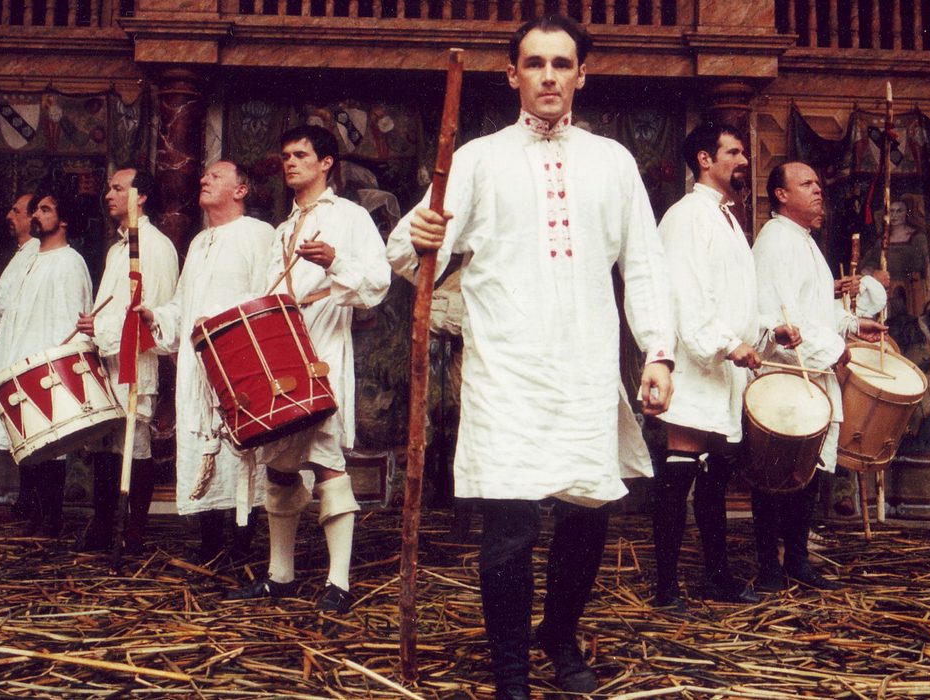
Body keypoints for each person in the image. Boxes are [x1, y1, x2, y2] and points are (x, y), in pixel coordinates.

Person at [386, 16, 674, 699]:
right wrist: (421, 233)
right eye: (535, 63)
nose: (549, 75)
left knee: (585, 515)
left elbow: (646, 264)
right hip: (505, 371)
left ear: (582, 74)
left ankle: (560, 635)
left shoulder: (612, 161)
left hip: (583, 369)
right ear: (511, 73)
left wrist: (658, 352)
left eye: (562, 63)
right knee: (511, 527)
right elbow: (404, 253)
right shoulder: (477, 158)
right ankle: (510, 669)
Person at [227, 125, 390, 613]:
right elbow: (264, 298)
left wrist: (336, 260)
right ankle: (281, 576)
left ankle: (338, 583)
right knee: (279, 467)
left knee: (324, 459)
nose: (290, 162)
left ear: (327, 163)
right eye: (285, 155)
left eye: (301, 155)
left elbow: (377, 284)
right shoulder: (280, 230)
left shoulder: (352, 218)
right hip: (279, 360)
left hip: (322, 353)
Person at [652, 122, 799, 609]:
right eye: (733, 152)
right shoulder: (686, 217)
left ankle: (716, 577)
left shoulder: (729, 220)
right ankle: (666, 588)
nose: (743, 161)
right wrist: (723, 344)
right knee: (680, 474)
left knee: (714, 476)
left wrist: (764, 334)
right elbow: (684, 296)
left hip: (725, 370)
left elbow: (738, 301)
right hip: (695, 368)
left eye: (743, 153)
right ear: (704, 160)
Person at [750, 162, 883, 591]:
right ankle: (770, 567)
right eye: (806, 184)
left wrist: (849, 326)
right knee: (776, 474)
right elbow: (775, 317)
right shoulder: (774, 242)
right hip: (786, 376)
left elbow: (814, 311)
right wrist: (835, 349)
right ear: (781, 195)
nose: (817, 190)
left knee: (804, 473)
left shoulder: (804, 242)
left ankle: (797, 561)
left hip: (812, 374)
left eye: (819, 183)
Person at [138, 161, 276, 563]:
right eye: (204, 176)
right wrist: (157, 317)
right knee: (202, 447)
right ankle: (211, 545)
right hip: (198, 370)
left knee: (241, 455)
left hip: (239, 364)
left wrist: (223, 325)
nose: (204, 180)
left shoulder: (259, 235)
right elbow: (182, 305)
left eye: (215, 176)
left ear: (241, 189)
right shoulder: (199, 242)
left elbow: (266, 298)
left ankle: (242, 549)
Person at [0, 187, 93, 538]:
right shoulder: (32, 258)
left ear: (62, 220)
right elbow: (5, 302)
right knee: (29, 443)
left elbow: (69, 319)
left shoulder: (69, 262)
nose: (35, 216)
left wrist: (57, 366)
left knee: (51, 445)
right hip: (22, 360)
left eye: (44, 210)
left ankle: (51, 520)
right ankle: (33, 514)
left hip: (48, 366)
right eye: (37, 210)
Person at [71, 168, 179, 553]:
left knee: (134, 444)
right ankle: (101, 525)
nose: (108, 194)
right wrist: (94, 324)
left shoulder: (156, 246)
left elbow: (157, 310)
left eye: (118, 188)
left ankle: (133, 532)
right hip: (107, 359)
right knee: (103, 444)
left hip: (134, 361)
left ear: (141, 197)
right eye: (109, 187)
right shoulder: (119, 248)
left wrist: (101, 327)